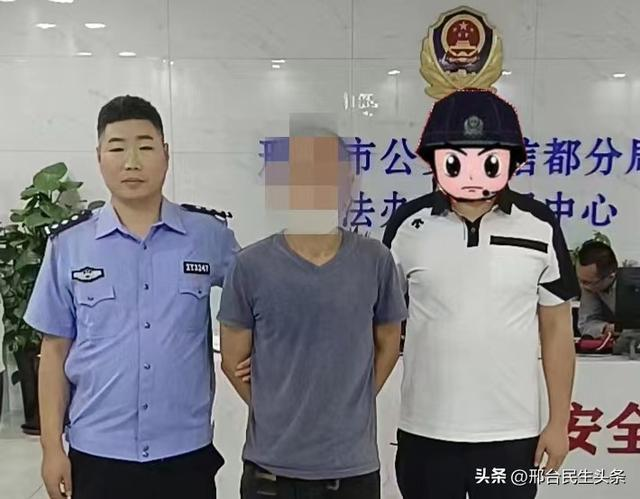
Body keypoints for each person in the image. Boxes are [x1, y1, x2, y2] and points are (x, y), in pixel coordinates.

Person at [24, 95, 239, 499]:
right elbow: (53, 352)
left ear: (166, 154)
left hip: (185, 452)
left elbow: (256, 310)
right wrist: (52, 448)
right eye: (118, 148)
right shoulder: (69, 244)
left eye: (145, 147)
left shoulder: (209, 236)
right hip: (97, 452)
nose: (132, 162)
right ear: (99, 157)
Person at [383, 89, 579, 499]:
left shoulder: (539, 224)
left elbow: (557, 328)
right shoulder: (408, 225)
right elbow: (380, 323)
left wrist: (559, 422)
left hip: (512, 434)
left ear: (510, 159)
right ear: (435, 159)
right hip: (426, 431)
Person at [218, 118, 407, 499]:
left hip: (352, 473)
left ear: (349, 184)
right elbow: (232, 360)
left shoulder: (375, 260)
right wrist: (279, 405)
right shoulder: (250, 265)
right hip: (271, 474)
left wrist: (351, 400)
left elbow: (389, 342)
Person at [575, 240, 618, 338]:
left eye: (587, 282)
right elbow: (586, 323)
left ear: (611, 275)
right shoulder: (590, 288)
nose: (582, 286)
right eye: (579, 280)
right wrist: (605, 328)